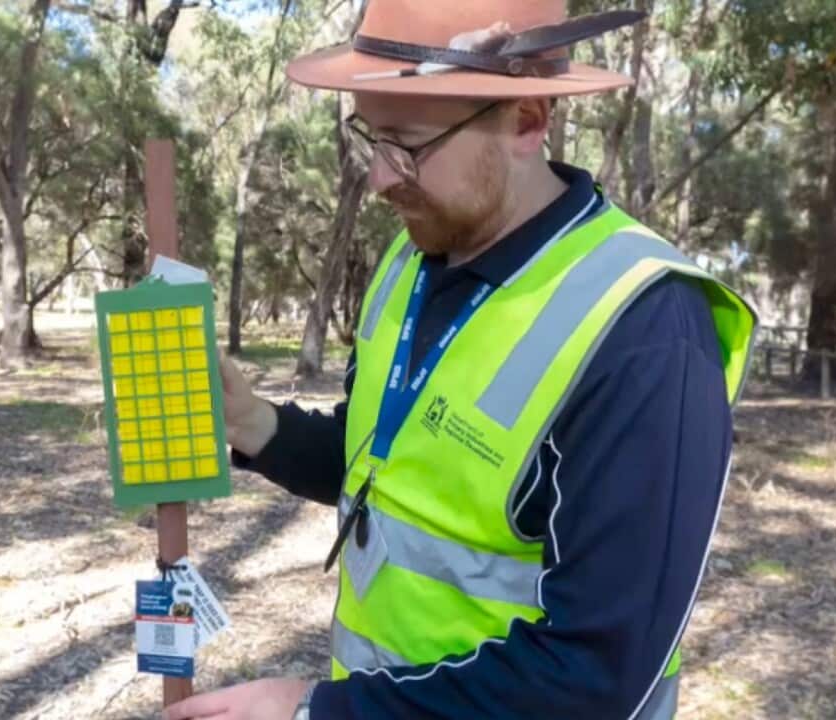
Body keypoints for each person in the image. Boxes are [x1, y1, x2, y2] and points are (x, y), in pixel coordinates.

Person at [165, 1, 756, 718]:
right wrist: (255, 423)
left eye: (407, 144)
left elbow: (595, 676)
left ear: (528, 120)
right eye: (371, 137)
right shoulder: (409, 262)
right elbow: (384, 471)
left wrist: (317, 712)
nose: (381, 179)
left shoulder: (646, 330)